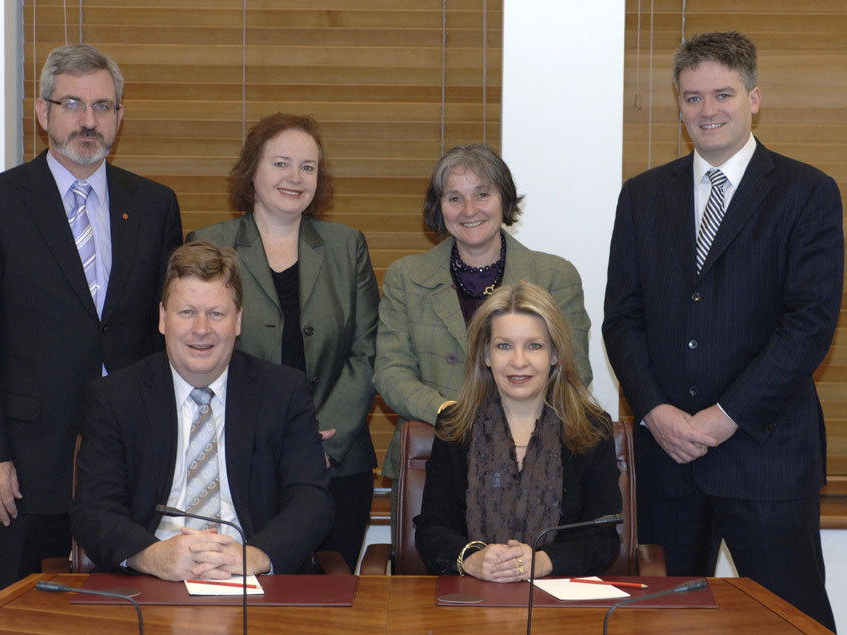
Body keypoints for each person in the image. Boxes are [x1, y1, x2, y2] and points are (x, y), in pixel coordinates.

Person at [603, 31, 840, 630]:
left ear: (754, 98)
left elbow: (808, 324)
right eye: (692, 98)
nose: (707, 111)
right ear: (677, 104)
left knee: (792, 621)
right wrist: (655, 410)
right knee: (658, 624)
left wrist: (722, 417)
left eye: (723, 95)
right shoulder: (641, 196)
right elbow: (622, 317)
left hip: (766, 456)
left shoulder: (807, 192)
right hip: (667, 458)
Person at [0, 43, 182, 600]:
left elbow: (163, 333)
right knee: (13, 613)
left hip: (130, 461)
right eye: (72, 103)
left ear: (120, 117)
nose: (88, 120)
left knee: (132, 613)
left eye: (103, 106)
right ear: (42, 112)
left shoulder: (154, 204)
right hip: (24, 467)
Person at [71, 241, 333, 578]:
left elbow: (311, 499)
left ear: (238, 321)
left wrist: (256, 556)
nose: (201, 329)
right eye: (187, 312)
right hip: (150, 578)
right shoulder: (115, 397)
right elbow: (94, 508)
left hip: (250, 578)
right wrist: (152, 557)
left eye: (216, 314)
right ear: (163, 318)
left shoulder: (283, 392)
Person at [187, 113, 379, 571]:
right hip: (242, 458)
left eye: (308, 167)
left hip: (339, 462)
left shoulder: (346, 245)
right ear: (252, 169)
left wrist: (321, 439)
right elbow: (199, 349)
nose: (295, 178)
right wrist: (276, 435)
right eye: (281, 163)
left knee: (329, 601)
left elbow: (368, 349)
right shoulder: (210, 245)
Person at [374, 143, 593, 524]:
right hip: (432, 458)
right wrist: (451, 415)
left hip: (536, 460)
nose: (469, 210)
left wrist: (507, 422)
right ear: (439, 208)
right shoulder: (406, 277)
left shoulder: (555, 276)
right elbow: (390, 373)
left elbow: (575, 371)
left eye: (482, 194)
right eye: (454, 198)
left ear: (504, 200)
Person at [415, 282, 620, 579]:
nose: (519, 361)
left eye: (534, 346)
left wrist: (543, 561)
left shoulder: (591, 429)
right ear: (486, 355)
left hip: (559, 600)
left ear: (554, 354)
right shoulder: (455, 426)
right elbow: (432, 529)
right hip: (471, 600)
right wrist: (472, 559)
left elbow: (603, 540)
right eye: (504, 346)